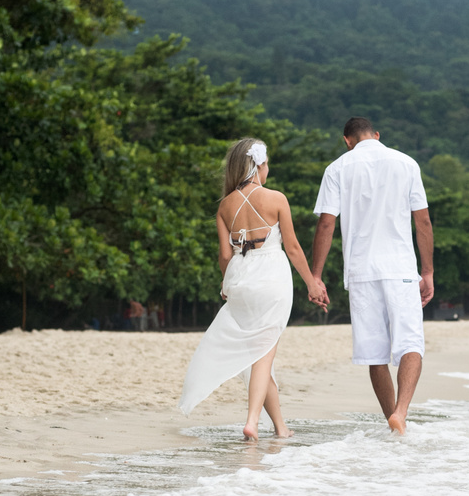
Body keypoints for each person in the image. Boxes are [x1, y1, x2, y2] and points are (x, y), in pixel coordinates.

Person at [179, 137, 327, 439]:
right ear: (259, 165)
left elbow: (224, 255)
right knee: (264, 354)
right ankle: (252, 421)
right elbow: (294, 248)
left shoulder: (225, 205)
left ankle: (280, 427)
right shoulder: (276, 199)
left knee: (257, 354)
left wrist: (226, 284)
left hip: (241, 279)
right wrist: (312, 283)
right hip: (271, 277)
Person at [311, 117, 434, 433]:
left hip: (362, 271)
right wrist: (428, 271)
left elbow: (326, 224)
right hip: (401, 269)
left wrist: (316, 276)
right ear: (377, 135)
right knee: (411, 344)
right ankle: (402, 413)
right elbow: (423, 222)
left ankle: (391, 418)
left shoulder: (338, 168)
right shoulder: (407, 164)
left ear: (347, 140)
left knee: (375, 353)